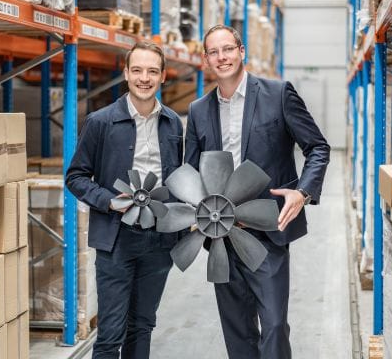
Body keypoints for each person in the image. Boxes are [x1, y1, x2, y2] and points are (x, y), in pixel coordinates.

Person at [184, 25, 330, 359]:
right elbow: (190, 172)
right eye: (213, 52)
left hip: (268, 230)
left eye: (228, 49)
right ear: (205, 59)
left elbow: (318, 147)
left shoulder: (278, 94)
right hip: (221, 236)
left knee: (274, 325)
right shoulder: (198, 110)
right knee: (238, 331)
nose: (222, 57)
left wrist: (303, 192)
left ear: (242, 51)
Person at [66, 41, 184, 359]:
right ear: (126, 73)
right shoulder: (101, 122)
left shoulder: (173, 123)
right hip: (116, 237)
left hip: (159, 238)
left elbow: (180, 177)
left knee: (142, 326)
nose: (144, 78)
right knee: (110, 334)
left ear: (163, 76)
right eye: (137, 70)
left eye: (152, 71)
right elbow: (76, 177)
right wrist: (108, 201)